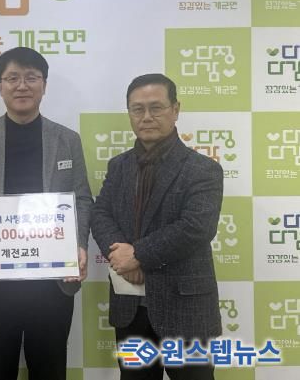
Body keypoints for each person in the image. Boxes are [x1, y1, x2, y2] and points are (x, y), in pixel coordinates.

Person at [0, 47, 93, 380]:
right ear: (0, 86)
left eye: (31, 78)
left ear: (44, 85)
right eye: (12, 78)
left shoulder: (67, 139)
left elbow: (82, 199)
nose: (22, 86)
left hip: (52, 281)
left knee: (50, 369)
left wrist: (78, 244)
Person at [90, 73, 223, 379]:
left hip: (185, 310)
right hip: (130, 308)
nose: (146, 117)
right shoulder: (118, 166)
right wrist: (121, 256)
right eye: (137, 109)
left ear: (175, 110)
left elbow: (196, 227)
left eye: (156, 107)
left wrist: (138, 255)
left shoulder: (203, 169)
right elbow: (100, 214)